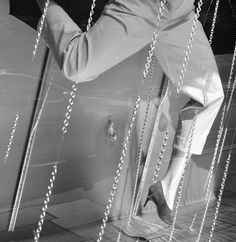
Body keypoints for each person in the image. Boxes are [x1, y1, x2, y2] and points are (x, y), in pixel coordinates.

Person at [35, 0, 224, 225]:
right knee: (78, 65)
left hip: (179, 10)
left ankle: (167, 186)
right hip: (143, 4)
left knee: (210, 95)